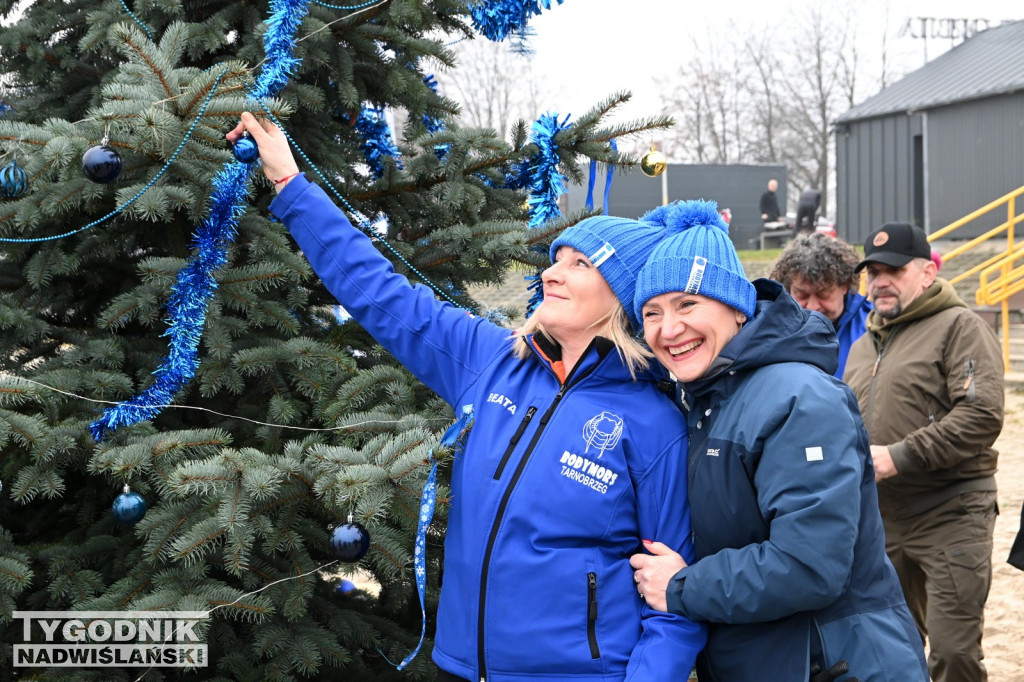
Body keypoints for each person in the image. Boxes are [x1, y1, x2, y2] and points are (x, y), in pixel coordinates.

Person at [227, 113, 706, 681]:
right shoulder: (494, 360)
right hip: (462, 667)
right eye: (555, 258)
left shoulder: (653, 425)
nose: (553, 273)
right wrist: (289, 183)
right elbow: (382, 294)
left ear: (620, 300)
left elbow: (674, 603)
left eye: (580, 264)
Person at [627, 200, 928, 682]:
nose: (669, 329)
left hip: (833, 663)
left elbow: (810, 565)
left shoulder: (797, 398)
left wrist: (682, 585)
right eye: (652, 312)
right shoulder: (702, 400)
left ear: (736, 307)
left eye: (688, 304)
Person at [843, 221, 1005, 682]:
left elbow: (981, 415)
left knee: (953, 653)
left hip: (951, 512)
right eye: (872, 272)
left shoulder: (960, 327)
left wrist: (900, 455)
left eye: (893, 269)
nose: (880, 282)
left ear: (928, 273)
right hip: (882, 519)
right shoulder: (860, 346)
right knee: (895, 651)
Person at [770, 232, 871, 377]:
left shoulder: (872, 327)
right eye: (802, 295)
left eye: (823, 294)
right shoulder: (771, 331)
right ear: (788, 288)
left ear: (845, 285)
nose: (812, 307)